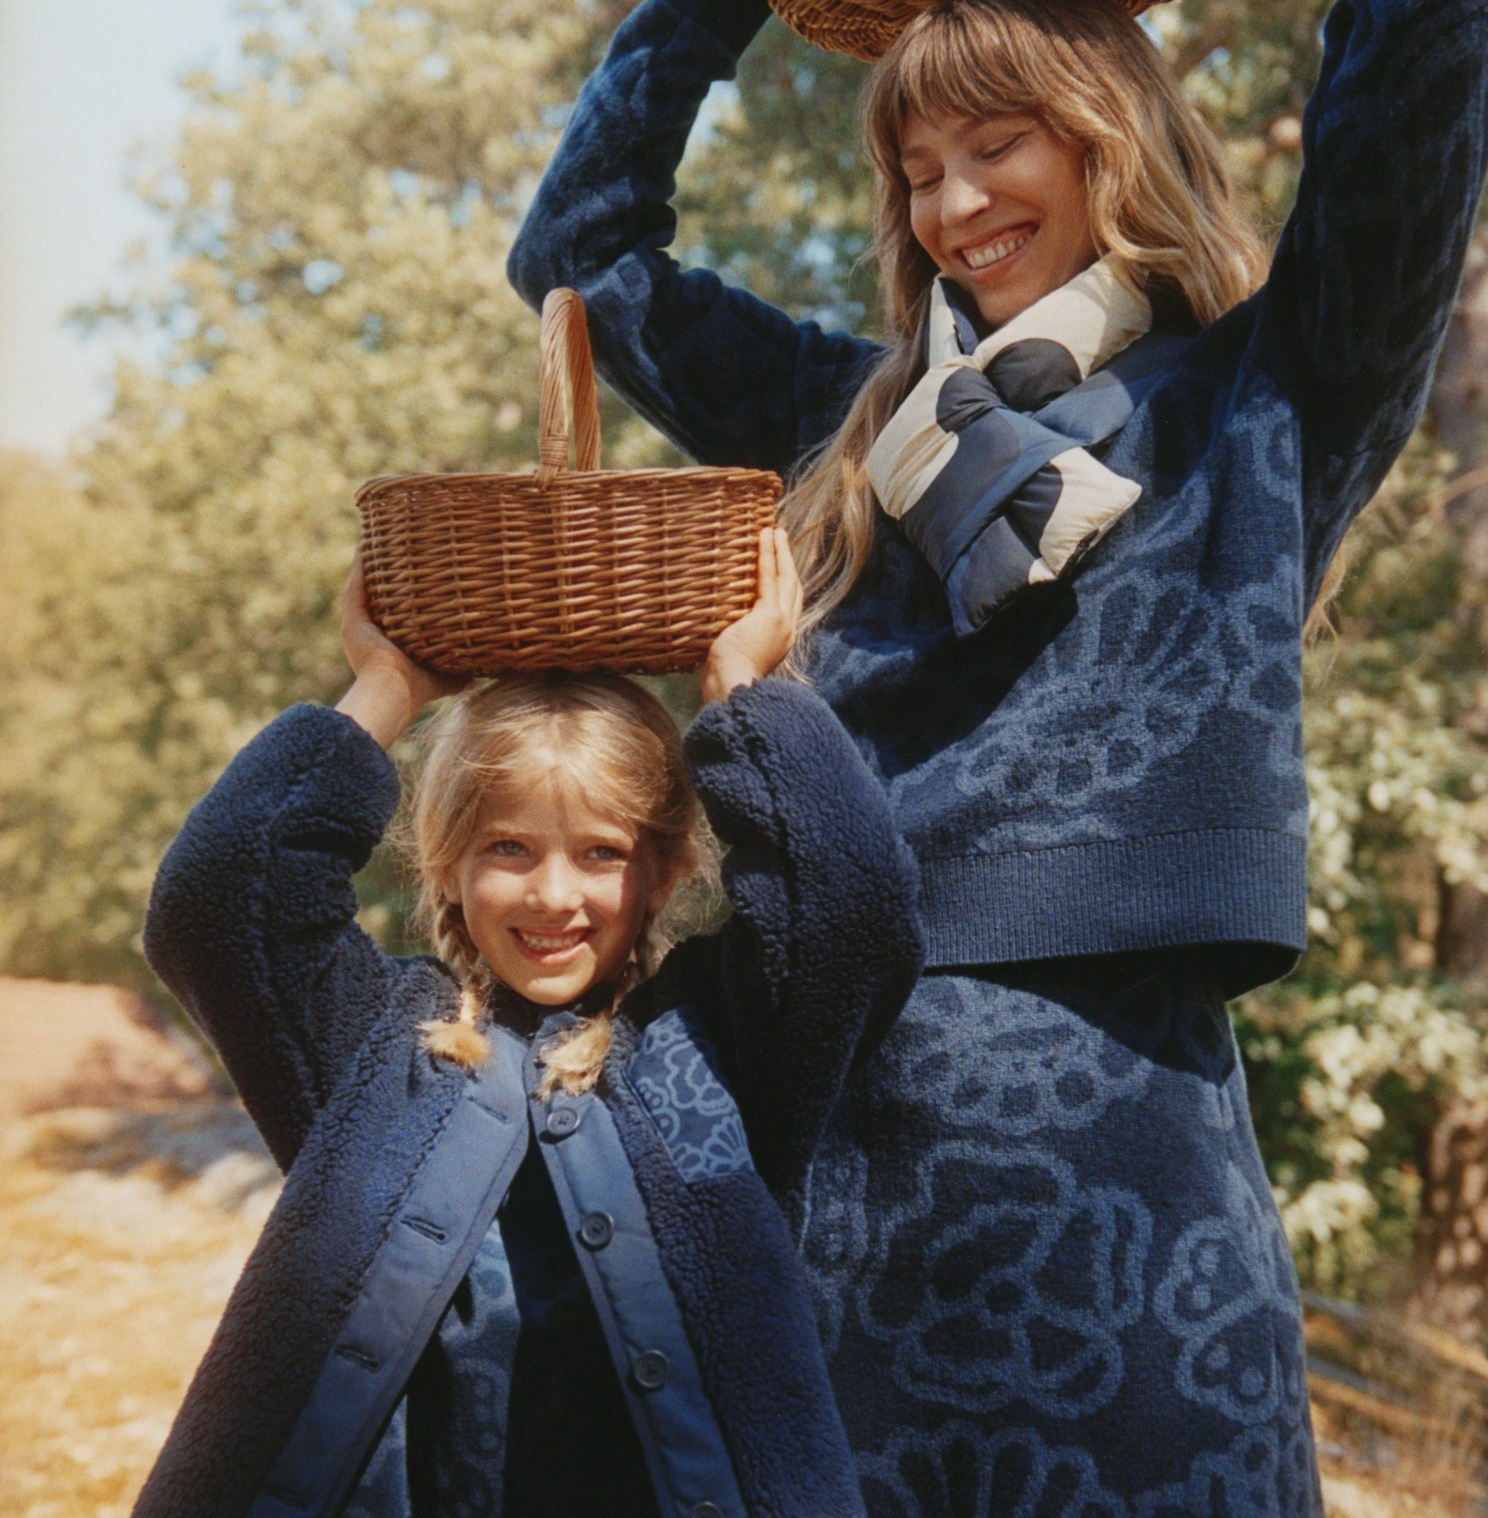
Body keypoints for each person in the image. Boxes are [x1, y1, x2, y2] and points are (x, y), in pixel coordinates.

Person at [507, 0, 1488, 1511]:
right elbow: (577, 262)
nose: (953, 204)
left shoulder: (1271, 390)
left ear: (1112, 138)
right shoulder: (841, 417)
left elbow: (1433, 46)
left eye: (997, 143)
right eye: (915, 168)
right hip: (817, 1158)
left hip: (1136, 1180)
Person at [132, 530, 922, 1518]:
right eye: (508, 847)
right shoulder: (374, 1048)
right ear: (449, 872)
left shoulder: (723, 1045)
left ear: (666, 874)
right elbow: (216, 902)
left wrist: (738, 684)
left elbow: (853, 904)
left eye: (600, 852)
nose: (554, 896)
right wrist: (385, 683)